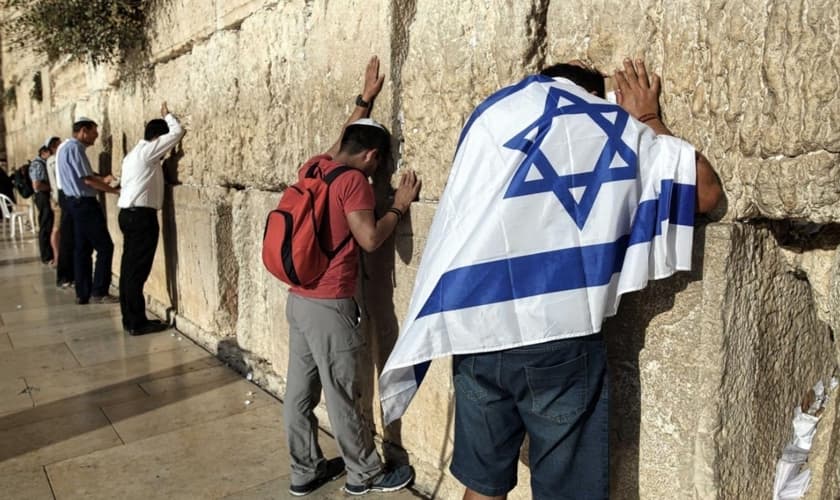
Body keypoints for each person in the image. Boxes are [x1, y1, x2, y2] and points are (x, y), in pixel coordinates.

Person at [377, 59, 723, 500]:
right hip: (558, 336)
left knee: (481, 485)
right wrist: (649, 119)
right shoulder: (614, 126)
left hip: (475, 325)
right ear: (598, 91)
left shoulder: (492, 115)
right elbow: (707, 192)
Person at [283, 55, 421, 497]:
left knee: (299, 393)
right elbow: (369, 239)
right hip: (332, 303)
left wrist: (365, 99)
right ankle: (365, 474)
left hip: (299, 298)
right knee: (344, 392)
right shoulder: (354, 182)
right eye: (378, 164)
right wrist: (398, 204)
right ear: (373, 157)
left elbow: (345, 138)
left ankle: (303, 470)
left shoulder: (316, 166)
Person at [117, 102, 184, 335]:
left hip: (128, 214)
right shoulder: (148, 151)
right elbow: (176, 133)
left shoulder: (133, 156)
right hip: (141, 218)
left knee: (128, 270)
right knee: (137, 271)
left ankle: (130, 319)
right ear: (157, 138)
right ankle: (137, 323)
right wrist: (168, 116)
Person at [58, 117, 120, 305]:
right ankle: (100, 291)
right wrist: (114, 190)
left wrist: (103, 178)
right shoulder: (75, 148)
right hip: (84, 204)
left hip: (73, 203)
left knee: (82, 249)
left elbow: (86, 174)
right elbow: (87, 180)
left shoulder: (66, 148)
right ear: (83, 131)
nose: (96, 137)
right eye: (94, 132)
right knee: (105, 246)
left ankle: (82, 293)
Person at [53, 137, 75, 288]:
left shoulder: (61, 151)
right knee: (67, 238)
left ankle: (66, 275)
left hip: (63, 195)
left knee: (68, 238)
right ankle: (64, 276)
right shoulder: (70, 149)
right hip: (65, 196)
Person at [43, 137, 65, 280]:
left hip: (55, 197)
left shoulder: (51, 160)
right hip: (59, 199)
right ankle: (57, 258)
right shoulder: (54, 160)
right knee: (56, 229)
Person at [29, 145, 54, 264]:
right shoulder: (38, 164)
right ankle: (47, 255)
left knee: (48, 224)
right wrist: (51, 187)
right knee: (45, 225)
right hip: (42, 196)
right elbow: (37, 185)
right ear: (44, 152)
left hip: (44, 195)